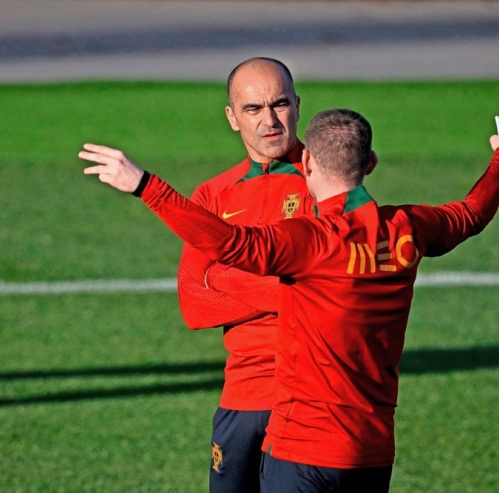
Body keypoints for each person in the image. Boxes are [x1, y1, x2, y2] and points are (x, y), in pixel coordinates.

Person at [80, 108, 499, 493]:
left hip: (301, 450)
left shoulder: (310, 240)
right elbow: (472, 213)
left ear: (308, 160)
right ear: (370, 163)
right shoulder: (409, 227)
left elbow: (228, 243)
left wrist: (145, 186)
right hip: (372, 452)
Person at [177, 57, 313, 492]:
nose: (270, 121)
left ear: (297, 105)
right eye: (253, 109)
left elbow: (320, 292)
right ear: (232, 118)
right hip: (238, 400)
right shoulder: (212, 195)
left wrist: (219, 276)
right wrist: (281, 290)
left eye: (279, 105)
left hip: (306, 401)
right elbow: (193, 307)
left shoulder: (327, 182)